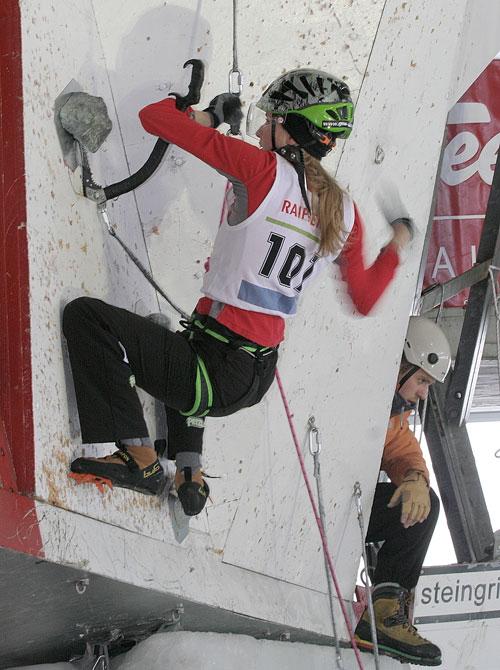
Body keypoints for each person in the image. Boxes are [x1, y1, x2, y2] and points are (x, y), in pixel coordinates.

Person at [63, 68, 411, 516]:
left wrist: (208, 116)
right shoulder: (344, 211)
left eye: (272, 119)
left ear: (294, 129)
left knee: (86, 318)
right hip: (252, 374)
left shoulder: (259, 168)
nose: (262, 127)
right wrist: (398, 244)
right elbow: (364, 299)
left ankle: (141, 460)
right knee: (167, 335)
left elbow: (154, 117)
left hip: (216, 368)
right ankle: (190, 466)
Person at [354, 316, 452, 667]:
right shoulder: (357, 387)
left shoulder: (392, 414)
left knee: (423, 507)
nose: (423, 392)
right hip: (321, 502)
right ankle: (382, 617)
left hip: (342, 505)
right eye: (422, 380)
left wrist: (414, 478)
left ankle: (385, 613)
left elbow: (401, 450)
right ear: (401, 363)